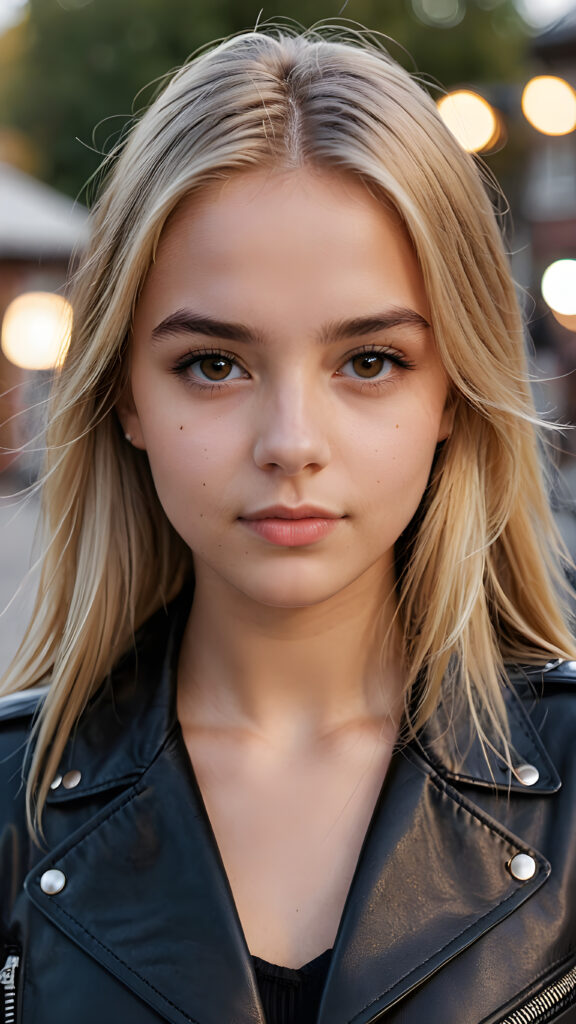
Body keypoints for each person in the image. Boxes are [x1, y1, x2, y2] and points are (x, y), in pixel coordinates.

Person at [1, 25, 575, 1024]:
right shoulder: (13, 805)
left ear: (454, 391)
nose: (291, 442)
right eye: (214, 364)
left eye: (369, 361)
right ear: (126, 395)